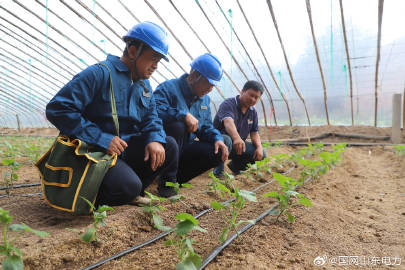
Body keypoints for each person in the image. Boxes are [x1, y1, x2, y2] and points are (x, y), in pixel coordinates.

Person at [46, 22, 178, 206]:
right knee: (128, 185)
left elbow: (151, 117)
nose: (156, 66)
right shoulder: (99, 74)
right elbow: (58, 109)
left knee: (169, 146)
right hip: (94, 153)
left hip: (121, 152)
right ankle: (102, 192)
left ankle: (130, 189)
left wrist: (155, 138)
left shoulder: (144, 84)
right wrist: (101, 138)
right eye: (153, 59)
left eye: (159, 61)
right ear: (133, 52)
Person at [154, 53, 229, 183]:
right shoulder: (168, 88)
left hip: (186, 149)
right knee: (178, 125)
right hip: (164, 149)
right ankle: (167, 180)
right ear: (194, 75)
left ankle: (178, 179)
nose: (210, 89)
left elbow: (205, 126)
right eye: (208, 83)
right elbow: (153, 111)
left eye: (213, 86)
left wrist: (217, 138)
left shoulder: (204, 99)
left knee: (222, 144)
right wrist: (182, 115)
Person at [213, 80, 266, 177]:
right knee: (226, 139)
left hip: (236, 146)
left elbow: (254, 132)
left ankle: (236, 167)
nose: (253, 99)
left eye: (256, 97)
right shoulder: (228, 104)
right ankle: (218, 173)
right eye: (251, 95)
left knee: (262, 152)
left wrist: (259, 147)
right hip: (217, 144)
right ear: (242, 91)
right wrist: (237, 138)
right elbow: (228, 121)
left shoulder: (253, 112)